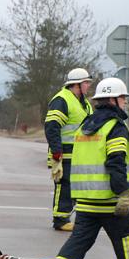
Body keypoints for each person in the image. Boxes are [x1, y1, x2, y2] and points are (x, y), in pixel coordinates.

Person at [49, 77, 129, 259]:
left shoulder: (85, 126)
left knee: (80, 240)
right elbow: (115, 161)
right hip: (110, 199)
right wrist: (123, 193)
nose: (125, 103)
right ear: (113, 100)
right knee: (128, 240)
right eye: (122, 98)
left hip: (86, 199)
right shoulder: (115, 127)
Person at [44, 68, 93, 231]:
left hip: (79, 154)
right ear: (76, 85)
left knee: (74, 186)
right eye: (86, 83)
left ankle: (67, 216)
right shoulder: (62, 100)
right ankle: (60, 219)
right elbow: (52, 127)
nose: (88, 86)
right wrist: (57, 152)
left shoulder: (83, 102)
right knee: (64, 185)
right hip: (64, 153)